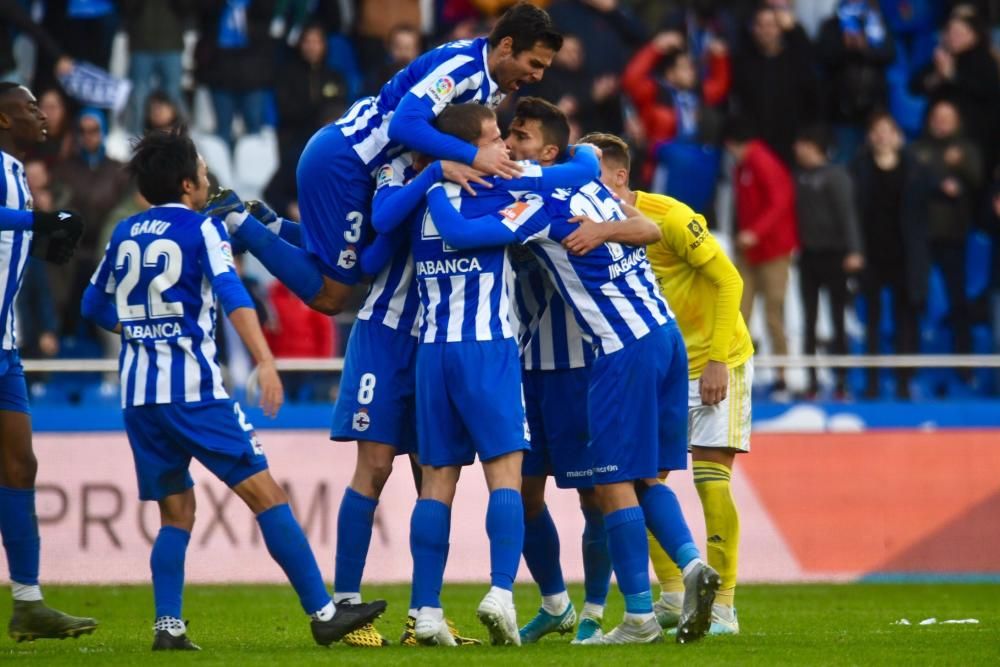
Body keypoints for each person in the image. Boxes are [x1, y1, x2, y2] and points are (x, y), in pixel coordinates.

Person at [423, 102, 721, 645]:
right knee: (640, 475)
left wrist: (432, 182)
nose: (510, 144)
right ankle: (688, 566)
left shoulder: (533, 197)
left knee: (609, 483)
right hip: (662, 335)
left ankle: (635, 618)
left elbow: (467, 235)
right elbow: (644, 223)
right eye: (506, 135)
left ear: (549, 151)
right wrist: (605, 224)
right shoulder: (588, 182)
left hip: (616, 347)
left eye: (521, 136)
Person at [79, 128, 385, 651]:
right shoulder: (202, 231)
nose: (206, 177)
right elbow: (231, 293)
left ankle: (168, 628)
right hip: (193, 390)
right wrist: (266, 361)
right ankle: (324, 612)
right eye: (201, 169)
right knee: (267, 496)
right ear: (186, 184)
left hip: (139, 396)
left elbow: (92, 306)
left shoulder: (125, 233)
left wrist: (143, 329)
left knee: (176, 512)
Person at [280, 1, 562, 318]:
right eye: (534, 63)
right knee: (331, 296)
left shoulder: (491, 82)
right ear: (507, 46)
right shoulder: (462, 66)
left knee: (363, 263)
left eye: (544, 68)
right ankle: (242, 223)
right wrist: (472, 155)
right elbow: (404, 123)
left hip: (364, 165)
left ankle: (270, 225)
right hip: (348, 159)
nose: (538, 75)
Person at [577, 130, 753, 635]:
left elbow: (730, 280)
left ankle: (725, 607)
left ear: (619, 176)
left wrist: (718, 359)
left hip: (719, 360)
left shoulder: (670, 217)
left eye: (594, 177)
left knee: (710, 479)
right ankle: (674, 594)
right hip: (661, 370)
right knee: (642, 479)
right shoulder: (595, 230)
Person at [0, 81, 92, 642]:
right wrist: (36, 225)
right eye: (29, 106)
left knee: (20, 466)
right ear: (2, 118)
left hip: (5, 345)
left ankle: (28, 602)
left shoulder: (15, 170)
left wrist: (39, 238)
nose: (40, 114)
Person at [850, 111, 929, 399]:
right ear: (871, 137)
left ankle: (904, 383)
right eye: (877, 130)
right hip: (870, 255)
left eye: (887, 130)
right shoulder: (859, 168)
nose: (882, 135)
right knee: (871, 321)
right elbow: (852, 214)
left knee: (904, 321)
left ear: (898, 136)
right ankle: (871, 383)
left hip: (904, 256)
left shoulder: (915, 169)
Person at [724, 116, 798, 399]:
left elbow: (781, 200)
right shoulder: (743, 165)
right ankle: (736, 374)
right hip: (748, 251)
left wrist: (756, 231)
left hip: (773, 252)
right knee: (738, 312)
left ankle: (782, 379)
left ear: (732, 144)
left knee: (773, 314)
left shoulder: (762, 161)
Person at [792, 124, 864, 398]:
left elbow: (848, 215)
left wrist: (854, 250)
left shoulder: (836, 176)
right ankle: (811, 382)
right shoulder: (798, 177)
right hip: (809, 256)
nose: (796, 150)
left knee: (838, 319)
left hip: (835, 256)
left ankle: (842, 381)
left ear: (812, 146)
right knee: (809, 320)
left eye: (800, 144)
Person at [911, 99, 982, 365]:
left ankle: (965, 364)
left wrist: (959, 166)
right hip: (920, 236)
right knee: (914, 298)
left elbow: (976, 179)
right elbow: (910, 181)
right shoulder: (917, 149)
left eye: (947, 116)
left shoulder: (967, 150)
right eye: (937, 116)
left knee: (958, 299)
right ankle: (910, 363)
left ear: (957, 120)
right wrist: (940, 178)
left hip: (955, 236)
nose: (941, 121)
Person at [730, 5, 822, 166]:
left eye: (771, 25)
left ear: (780, 28)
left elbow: (813, 91)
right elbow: (738, 104)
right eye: (760, 25)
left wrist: (795, 30)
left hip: (792, 147)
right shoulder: (744, 63)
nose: (765, 30)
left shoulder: (795, 60)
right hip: (756, 149)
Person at [816, 0, 896, 163]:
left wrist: (863, 47)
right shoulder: (832, 25)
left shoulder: (877, 23)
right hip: (841, 112)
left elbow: (889, 54)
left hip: (873, 111)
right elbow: (824, 56)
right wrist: (846, 47)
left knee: (875, 163)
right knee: (843, 162)